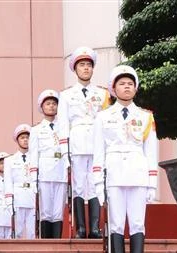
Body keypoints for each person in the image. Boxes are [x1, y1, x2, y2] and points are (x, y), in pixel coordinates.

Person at [92, 65, 157, 253]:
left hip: (138, 175)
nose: (126, 87)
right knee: (116, 224)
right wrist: (98, 184)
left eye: (130, 84)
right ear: (113, 89)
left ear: (135, 89)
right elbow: (98, 152)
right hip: (113, 175)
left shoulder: (146, 117)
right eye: (122, 83)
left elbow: (151, 152)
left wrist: (152, 184)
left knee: (138, 224)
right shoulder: (103, 117)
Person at [57, 46, 111, 239]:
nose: (86, 68)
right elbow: (63, 124)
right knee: (79, 186)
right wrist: (65, 152)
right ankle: (81, 228)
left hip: (97, 143)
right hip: (77, 143)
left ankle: (95, 227)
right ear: (75, 69)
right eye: (82, 65)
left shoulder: (103, 94)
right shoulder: (66, 95)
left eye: (89, 65)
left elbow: (107, 122)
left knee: (96, 184)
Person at [28, 89, 68, 238]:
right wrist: (33, 177)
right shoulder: (36, 130)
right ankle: (46, 240)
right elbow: (33, 154)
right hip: (44, 172)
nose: (51, 106)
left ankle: (57, 241)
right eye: (48, 104)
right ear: (42, 107)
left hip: (61, 170)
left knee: (58, 210)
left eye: (54, 104)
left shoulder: (64, 127)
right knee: (45, 211)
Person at [4, 124, 37, 239]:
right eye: (22, 138)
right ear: (17, 140)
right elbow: (8, 181)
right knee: (18, 231)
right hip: (18, 197)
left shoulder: (35, 157)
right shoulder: (10, 160)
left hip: (31, 195)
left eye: (27, 137)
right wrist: (9, 200)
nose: (25, 140)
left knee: (32, 231)